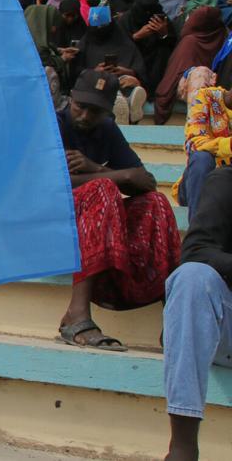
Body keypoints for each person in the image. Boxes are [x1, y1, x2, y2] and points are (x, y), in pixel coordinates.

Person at [56, 69, 180, 352]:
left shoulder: (107, 129)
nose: (86, 116)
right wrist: (114, 177)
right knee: (103, 189)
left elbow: (144, 182)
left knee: (156, 203)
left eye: (95, 111)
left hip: (94, 219)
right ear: (70, 98)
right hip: (49, 219)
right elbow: (51, 184)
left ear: (108, 111)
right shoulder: (53, 124)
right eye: (81, 107)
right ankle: (76, 315)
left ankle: (174, 320)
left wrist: (96, 168)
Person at [161, 166, 232, 461]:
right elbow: (196, 250)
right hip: (224, 328)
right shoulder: (226, 182)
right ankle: (183, 449)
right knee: (191, 278)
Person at [74, 6, 149, 125]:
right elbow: (76, 72)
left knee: (129, 80)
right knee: (102, 83)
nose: (99, 31)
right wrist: (94, 71)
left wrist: (126, 71)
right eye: (96, 28)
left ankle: (129, 102)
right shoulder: (85, 44)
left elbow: (139, 70)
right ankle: (119, 101)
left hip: (121, 80)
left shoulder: (124, 42)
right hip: (95, 84)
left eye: (103, 27)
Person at [154, 7, 226, 124]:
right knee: (201, 73)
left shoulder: (223, 38)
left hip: (215, 87)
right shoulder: (190, 41)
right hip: (188, 85)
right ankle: (197, 125)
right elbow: (174, 75)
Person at [175, 86, 232, 223]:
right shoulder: (206, 96)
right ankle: (197, 236)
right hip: (198, 182)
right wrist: (228, 145)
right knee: (202, 158)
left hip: (226, 187)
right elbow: (194, 144)